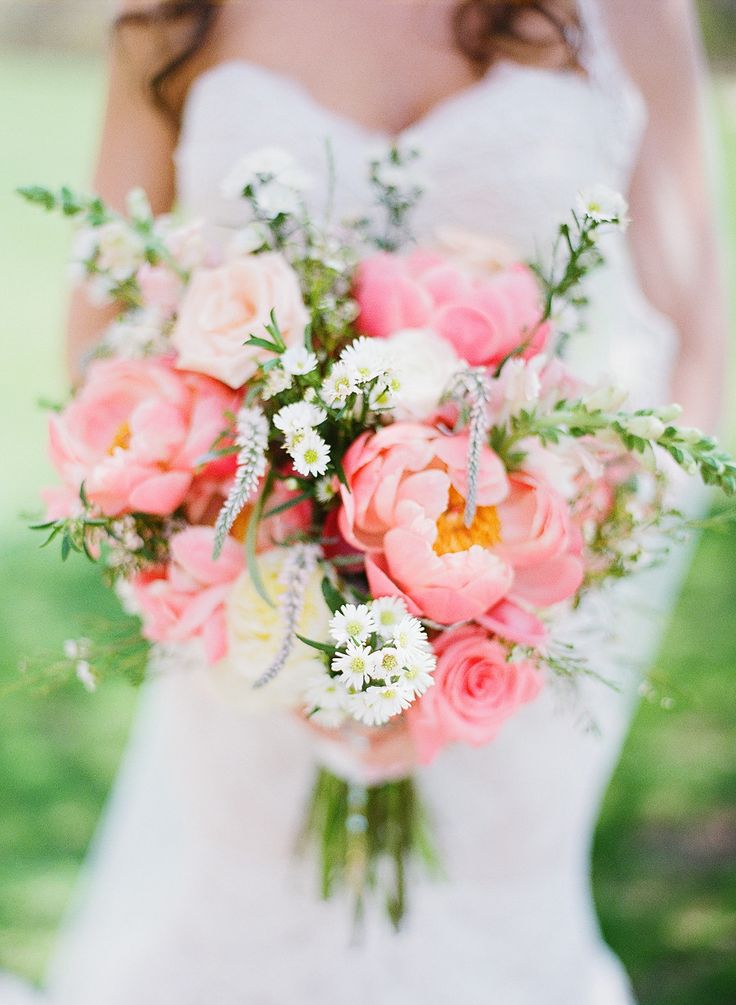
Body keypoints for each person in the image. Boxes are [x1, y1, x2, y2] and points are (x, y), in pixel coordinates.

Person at [2, 1, 728, 1002]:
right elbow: (100, 329)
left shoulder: (630, 15)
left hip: (518, 624)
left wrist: (563, 573)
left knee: (494, 930)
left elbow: (698, 335)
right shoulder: (175, 17)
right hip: (258, 612)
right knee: (245, 920)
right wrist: (229, 531)